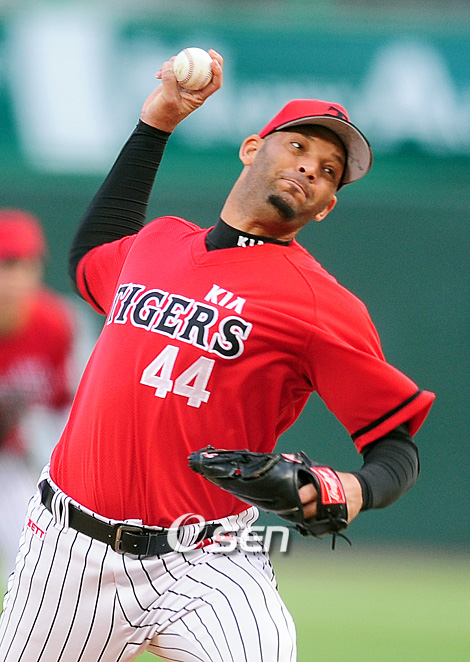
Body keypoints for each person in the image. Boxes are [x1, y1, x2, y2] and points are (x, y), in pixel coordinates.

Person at [0, 50, 435, 661]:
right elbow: (92, 254)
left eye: (329, 171)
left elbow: (395, 445)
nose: (310, 169)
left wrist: (354, 489)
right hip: (69, 548)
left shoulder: (322, 306)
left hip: (209, 558)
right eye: (298, 147)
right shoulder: (158, 242)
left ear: (326, 206)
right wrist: (157, 122)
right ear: (252, 149)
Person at [0, 209, 97, 587]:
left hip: (9, 460)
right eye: (3, 266)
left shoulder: (55, 325)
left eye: (18, 265)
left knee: (34, 557)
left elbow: (67, 412)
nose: (10, 279)